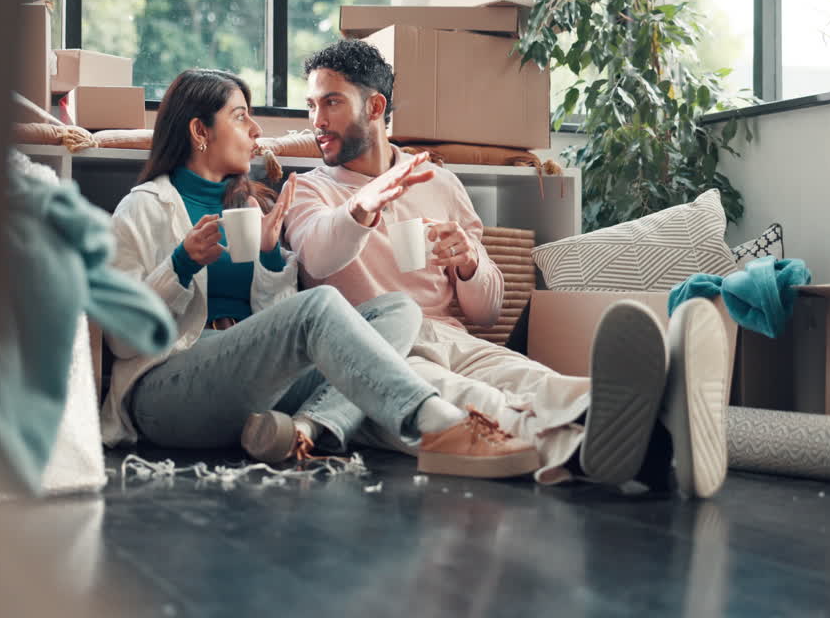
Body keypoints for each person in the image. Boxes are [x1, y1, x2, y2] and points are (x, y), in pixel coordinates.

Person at [284, 41, 731, 496]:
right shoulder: (308, 191)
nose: (317, 121)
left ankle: (656, 416)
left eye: (331, 102)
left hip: (453, 335)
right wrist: (365, 203)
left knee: (539, 382)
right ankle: (649, 450)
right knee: (469, 402)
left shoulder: (438, 181)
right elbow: (319, 255)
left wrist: (469, 263)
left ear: (375, 106)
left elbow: (487, 313)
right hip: (373, 352)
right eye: (311, 105)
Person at [100, 68, 541, 479]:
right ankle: (441, 426)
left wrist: (271, 257)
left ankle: (308, 428)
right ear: (200, 130)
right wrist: (181, 263)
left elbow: (277, 325)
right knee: (323, 307)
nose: (255, 131)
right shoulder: (143, 207)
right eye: (240, 117)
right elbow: (121, 340)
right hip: (167, 392)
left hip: (247, 391)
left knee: (399, 310)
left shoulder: (249, 207)